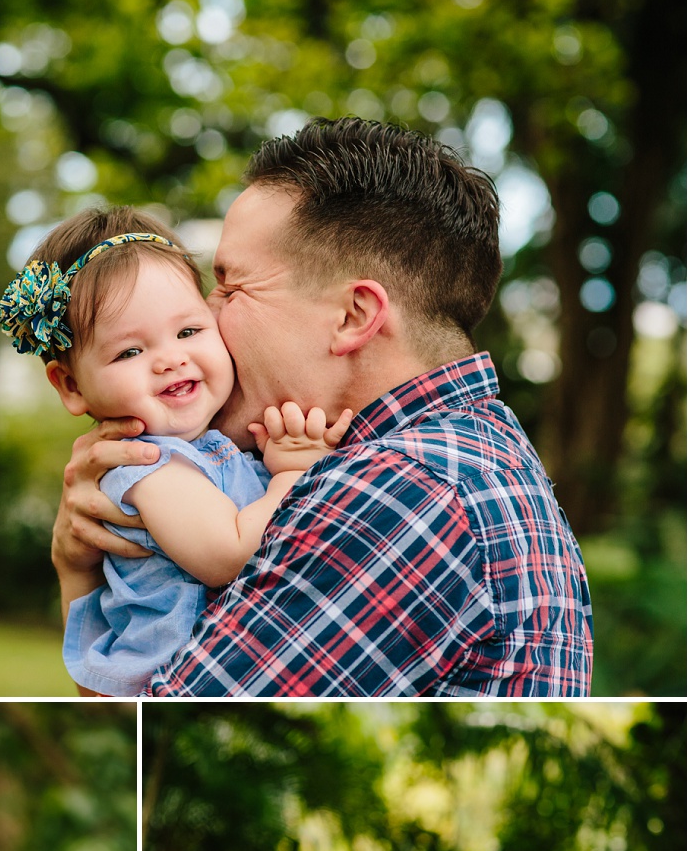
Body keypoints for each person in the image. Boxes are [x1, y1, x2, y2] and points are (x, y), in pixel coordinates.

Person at [51, 117, 594, 697]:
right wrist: (85, 561)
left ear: (353, 317)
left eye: (231, 287)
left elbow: (150, 736)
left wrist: (76, 579)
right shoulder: (463, 455)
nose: (207, 316)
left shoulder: (398, 494)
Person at [0, 206, 351, 695]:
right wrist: (293, 473)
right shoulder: (147, 468)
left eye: (189, 331)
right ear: (72, 384)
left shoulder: (210, 447)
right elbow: (231, 553)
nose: (170, 359)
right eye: (129, 352)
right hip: (161, 683)